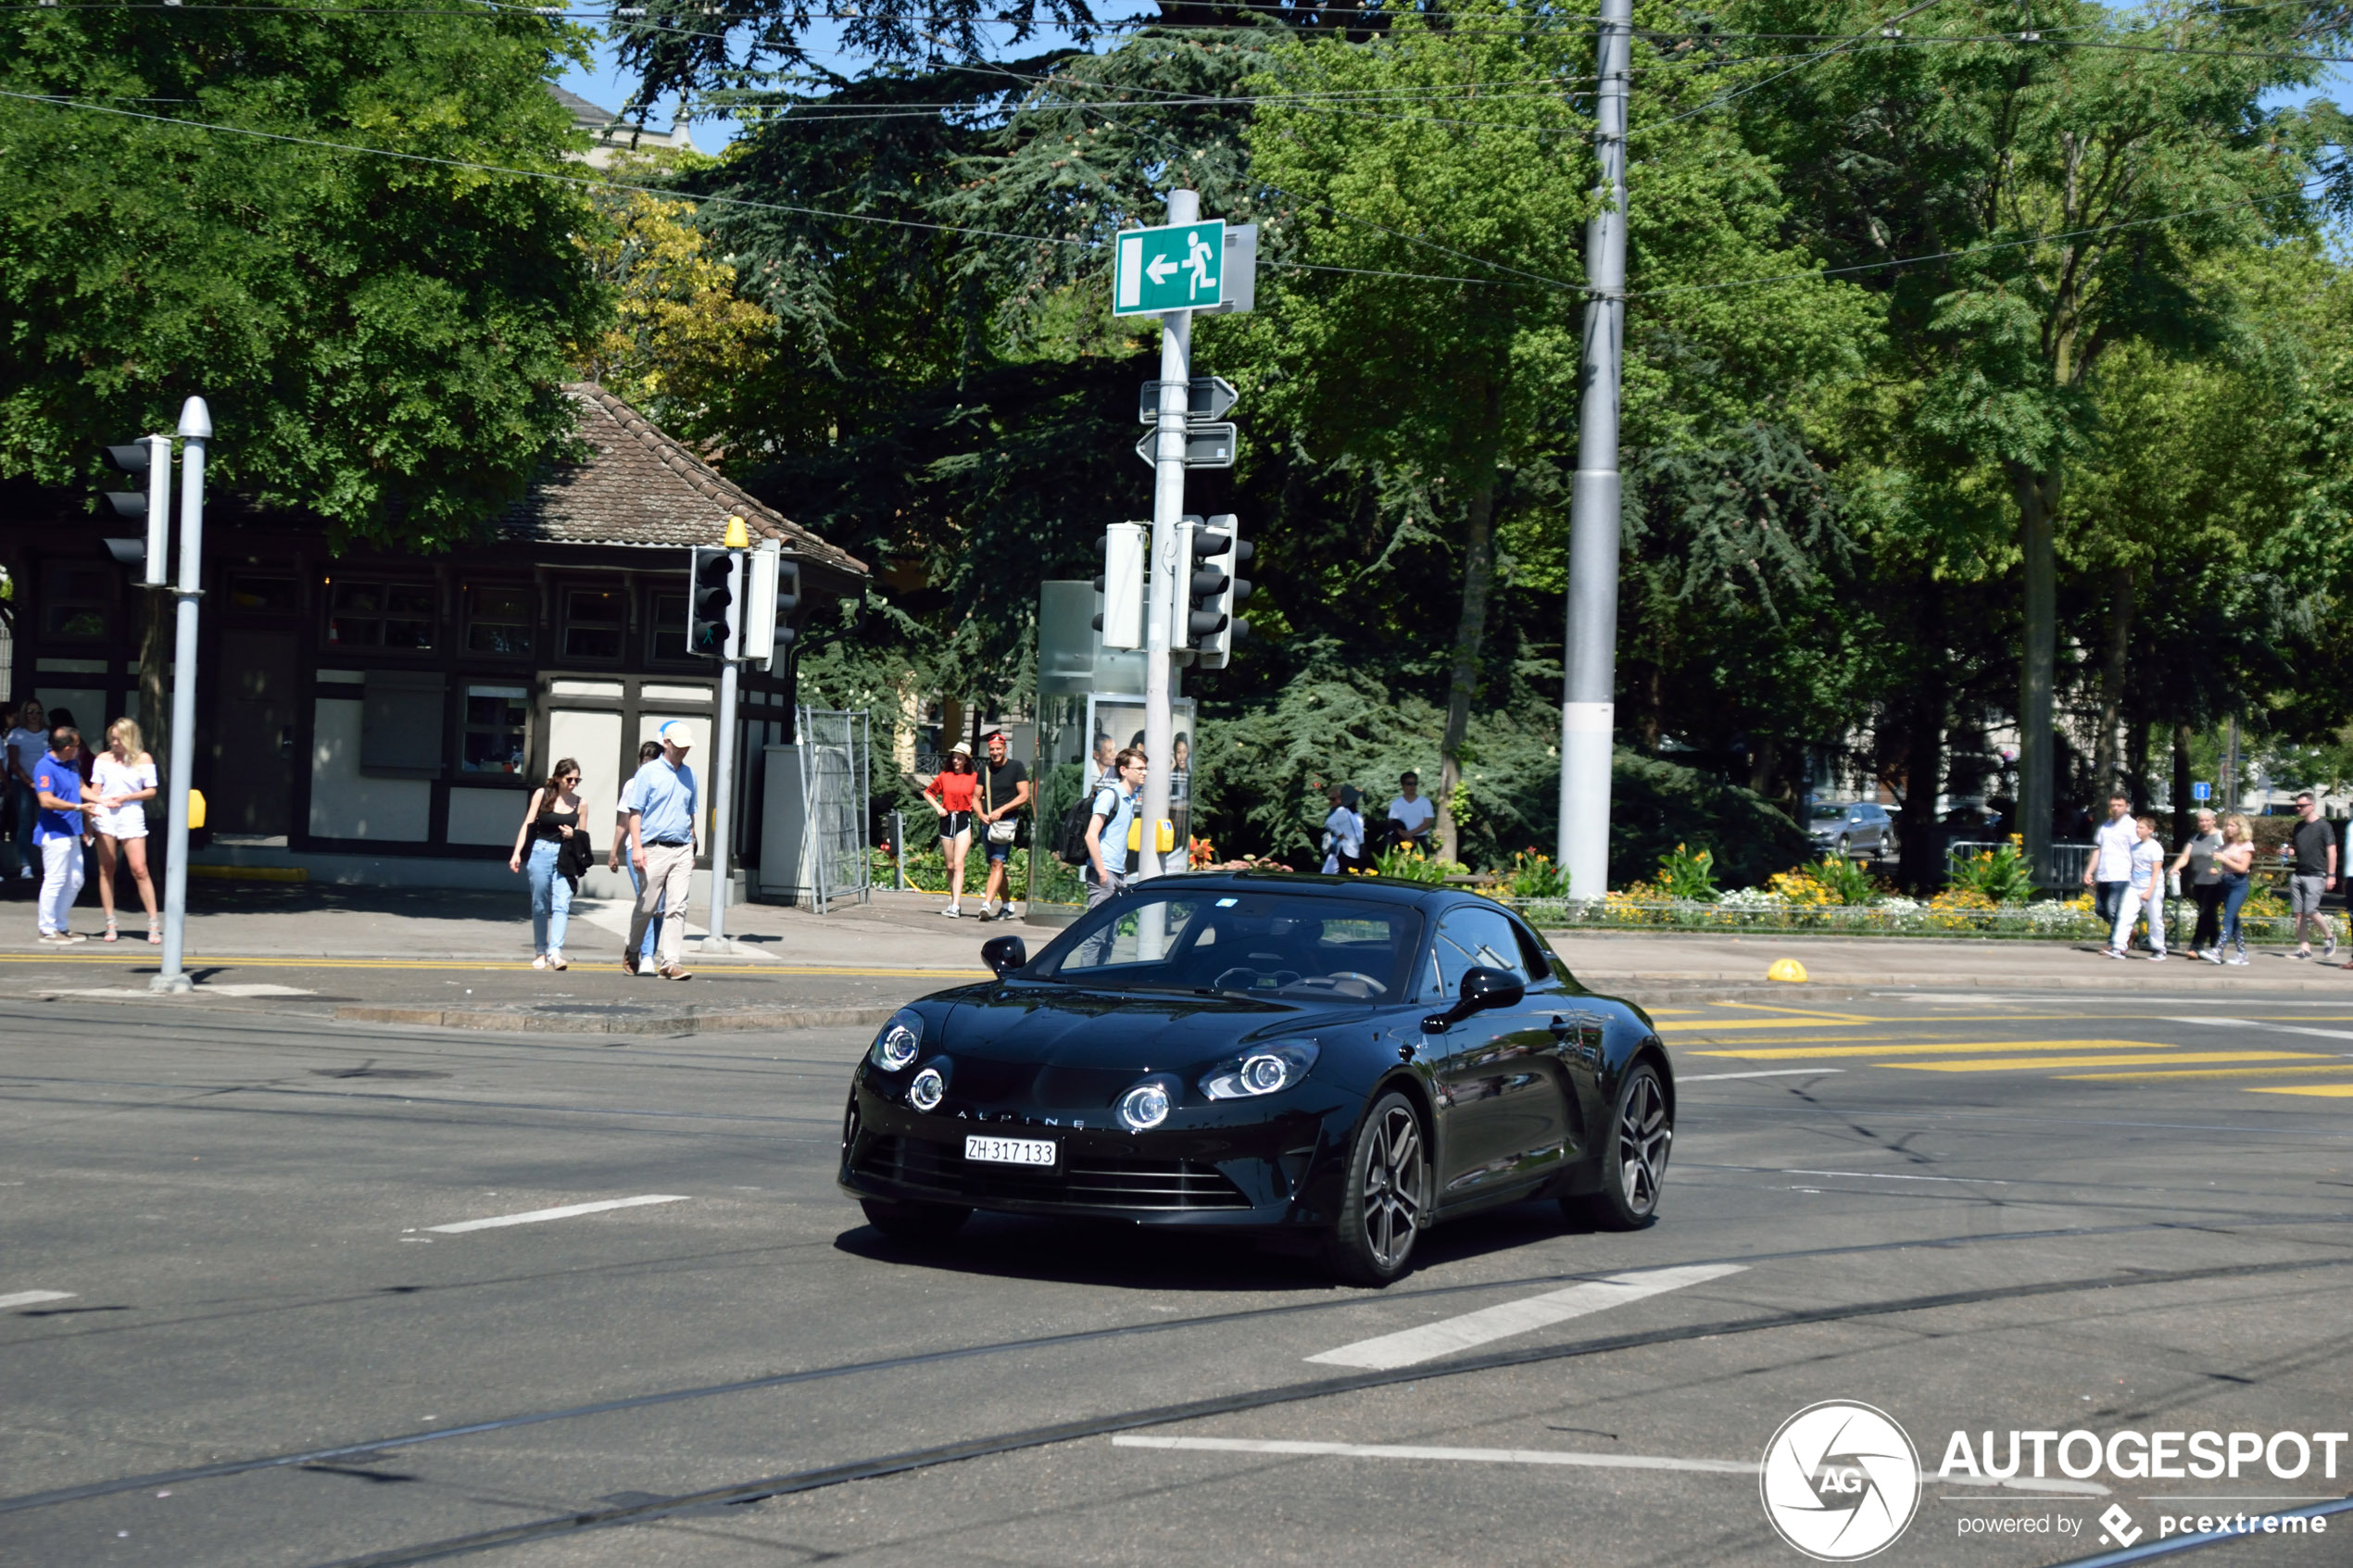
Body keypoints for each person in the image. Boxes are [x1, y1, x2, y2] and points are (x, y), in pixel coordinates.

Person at [624, 722, 698, 980]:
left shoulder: (690, 775)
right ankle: (633, 949)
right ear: (666, 743)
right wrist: (636, 847)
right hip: (653, 848)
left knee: (677, 907)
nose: (683, 751)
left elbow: (690, 813)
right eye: (679, 746)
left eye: (686, 747)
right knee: (647, 907)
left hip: (681, 850)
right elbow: (635, 812)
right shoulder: (648, 773)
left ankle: (670, 962)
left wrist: (692, 845)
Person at [509, 757, 585, 971]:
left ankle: (555, 952)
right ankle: (540, 951)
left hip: (566, 856)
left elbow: (583, 837)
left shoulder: (581, 803)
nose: (573, 784)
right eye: (570, 779)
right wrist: (517, 853)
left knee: (562, 904)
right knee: (540, 904)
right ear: (558, 778)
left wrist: (574, 834)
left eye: (577, 780)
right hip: (541, 851)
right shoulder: (542, 795)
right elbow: (528, 824)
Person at [88, 718, 159, 944]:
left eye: (119, 739)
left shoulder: (143, 759)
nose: (115, 743)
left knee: (139, 868)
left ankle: (153, 924)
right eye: (113, 738)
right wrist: (90, 816)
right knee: (107, 868)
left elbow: (151, 791)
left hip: (130, 812)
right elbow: (94, 790)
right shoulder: (103, 759)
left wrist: (127, 796)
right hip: (106, 812)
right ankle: (110, 922)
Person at [608, 740, 665, 971]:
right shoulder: (632, 785)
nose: (646, 769)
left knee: (660, 906)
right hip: (636, 848)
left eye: (651, 764)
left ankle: (638, 947)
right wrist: (613, 852)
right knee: (647, 901)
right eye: (643, 763)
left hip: (661, 849)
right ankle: (648, 956)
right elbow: (623, 821)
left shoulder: (667, 783)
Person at [31, 725, 89, 942]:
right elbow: (45, 800)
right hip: (54, 833)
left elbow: (82, 788)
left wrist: (102, 801)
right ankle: (47, 929)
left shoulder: (71, 763)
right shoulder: (44, 767)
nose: (78, 749)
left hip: (72, 831)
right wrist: (78, 808)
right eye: (76, 745)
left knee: (75, 880)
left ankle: (61, 926)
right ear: (66, 747)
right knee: (55, 880)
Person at [975, 730, 1030, 923]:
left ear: (1005, 749)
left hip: (1007, 823)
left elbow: (1024, 795)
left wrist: (1002, 810)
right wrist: (980, 814)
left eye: (998, 749)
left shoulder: (1016, 767)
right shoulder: (985, 770)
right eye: (992, 749)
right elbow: (975, 797)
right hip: (988, 823)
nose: (995, 752)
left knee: (998, 863)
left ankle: (986, 905)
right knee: (995, 866)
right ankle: (1007, 906)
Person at [1082, 746, 1145, 913]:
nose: (1144, 772)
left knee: (1110, 936)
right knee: (1096, 934)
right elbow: (1091, 835)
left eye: (1145, 768)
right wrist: (1102, 872)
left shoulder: (1130, 799)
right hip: (1104, 872)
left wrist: (1123, 869)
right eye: (1139, 768)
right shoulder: (1110, 796)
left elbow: (1118, 836)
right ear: (1123, 770)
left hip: (1118, 873)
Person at [925, 743, 980, 918]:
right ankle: (953, 900)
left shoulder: (974, 777)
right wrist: (938, 808)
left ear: (966, 761)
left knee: (958, 863)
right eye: (954, 757)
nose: (956, 761)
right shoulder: (944, 776)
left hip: (963, 819)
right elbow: (928, 793)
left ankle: (955, 905)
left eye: (960, 758)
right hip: (947, 819)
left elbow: (980, 796)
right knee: (949, 866)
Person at [2106, 816, 2168, 961]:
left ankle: (2159, 949)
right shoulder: (2135, 847)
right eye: (2137, 827)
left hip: (2152, 887)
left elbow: (2156, 871)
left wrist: (2149, 890)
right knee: (2125, 916)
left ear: (2150, 830)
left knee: (2155, 919)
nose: (2138, 830)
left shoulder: (2155, 847)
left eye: (2141, 828)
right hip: (2135, 886)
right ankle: (2119, 947)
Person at [2286, 790, 2337, 960]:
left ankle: (2330, 937)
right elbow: (2296, 849)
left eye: (2302, 805)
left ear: (2312, 805)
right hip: (2299, 873)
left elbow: (2332, 851)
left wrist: (2331, 874)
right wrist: (2288, 851)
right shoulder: (2298, 827)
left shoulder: (2324, 826)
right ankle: (2304, 948)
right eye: (2297, 806)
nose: (2298, 808)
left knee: (2310, 909)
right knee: (2298, 912)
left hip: (2316, 874)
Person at [2169, 808, 2223, 960]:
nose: (2204, 823)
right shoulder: (2195, 838)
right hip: (2199, 881)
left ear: (2214, 820)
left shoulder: (2220, 837)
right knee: (2209, 915)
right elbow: (2185, 856)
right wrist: (2175, 868)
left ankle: (2196, 946)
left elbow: (2226, 855)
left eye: (2207, 820)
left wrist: (2218, 868)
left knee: (2205, 912)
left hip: (2216, 881)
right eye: (2201, 820)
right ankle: (2216, 947)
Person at [6, 700, 49, 884]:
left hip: (45, 784)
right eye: (31, 712)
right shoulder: (17, 734)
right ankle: (25, 864)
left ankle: (49, 864)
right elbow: (13, 764)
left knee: (46, 821)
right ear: (25, 714)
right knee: (25, 822)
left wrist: (42, 783)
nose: (34, 715)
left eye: (38, 712)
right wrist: (29, 782)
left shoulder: (48, 734)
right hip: (23, 783)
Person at [2083, 793, 2136, 936]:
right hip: (2104, 874)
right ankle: (2128, 932)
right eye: (2113, 805)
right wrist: (2089, 872)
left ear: (2127, 807)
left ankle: (2116, 943)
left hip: (2122, 874)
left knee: (2113, 908)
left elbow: (2137, 852)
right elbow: (2098, 850)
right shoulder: (2105, 826)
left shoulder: (2132, 826)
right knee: (2100, 909)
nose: (2115, 808)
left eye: (2119, 805)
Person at [2213, 813, 2257, 965]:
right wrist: (2216, 866)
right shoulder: (2226, 845)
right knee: (2234, 919)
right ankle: (2242, 954)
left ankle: (2218, 951)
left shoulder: (2246, 845)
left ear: (2240, 828)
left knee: (2228, 918)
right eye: (2227, 825)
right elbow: (2220, 865)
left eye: (2232, 825)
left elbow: (2243, 868)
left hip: (2238, 884)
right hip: (2225, 882)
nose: (2228, 828)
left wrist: (2225, 859)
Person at [1319, 784, 1364, 875]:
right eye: (1329, 799)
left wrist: (1340, 834)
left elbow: (1329, 824)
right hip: (1340, 850)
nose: (1330, 802)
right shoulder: (1350, 812)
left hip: (1344, 850)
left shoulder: (1342, 811)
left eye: (1333, 799)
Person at [1388, 771, 1435, 854]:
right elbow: (1392, 823)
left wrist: (1411, 833)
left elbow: (1428, 822)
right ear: (1403, 785)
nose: (1413, 787)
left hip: (1420, 840)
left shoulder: (1425, 802)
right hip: (1401, 840)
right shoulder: (1396, 804)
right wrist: (1407, 837)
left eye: (1415, 783)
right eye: (1409, 784)